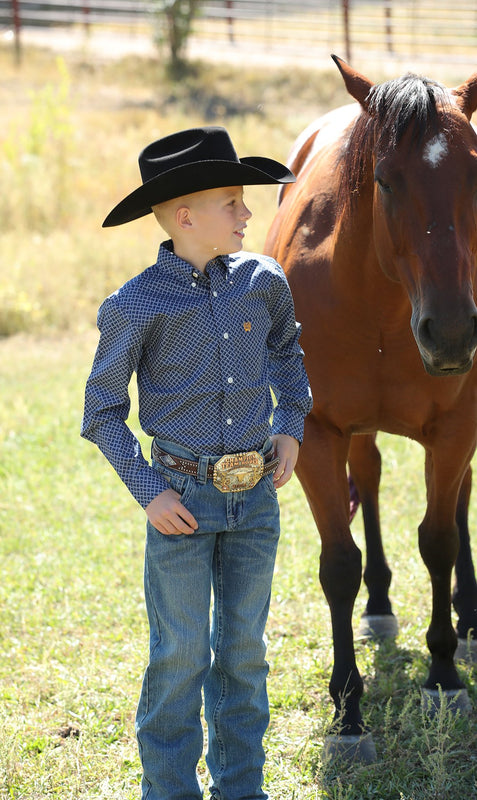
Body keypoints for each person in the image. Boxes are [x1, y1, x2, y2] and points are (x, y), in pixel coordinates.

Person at [81, 126, 312, 800]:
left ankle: (242, 789)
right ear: (185, 216)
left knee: (244, 653)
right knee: (180, 656)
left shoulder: (262, 281)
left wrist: (290, 424)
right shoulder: (134, 306)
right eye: (232, 201)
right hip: (178, 498)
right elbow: (101, 413)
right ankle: (170, 792)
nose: (248, 214)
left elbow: (287, 353)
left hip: (254, 500)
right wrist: (149, 492)